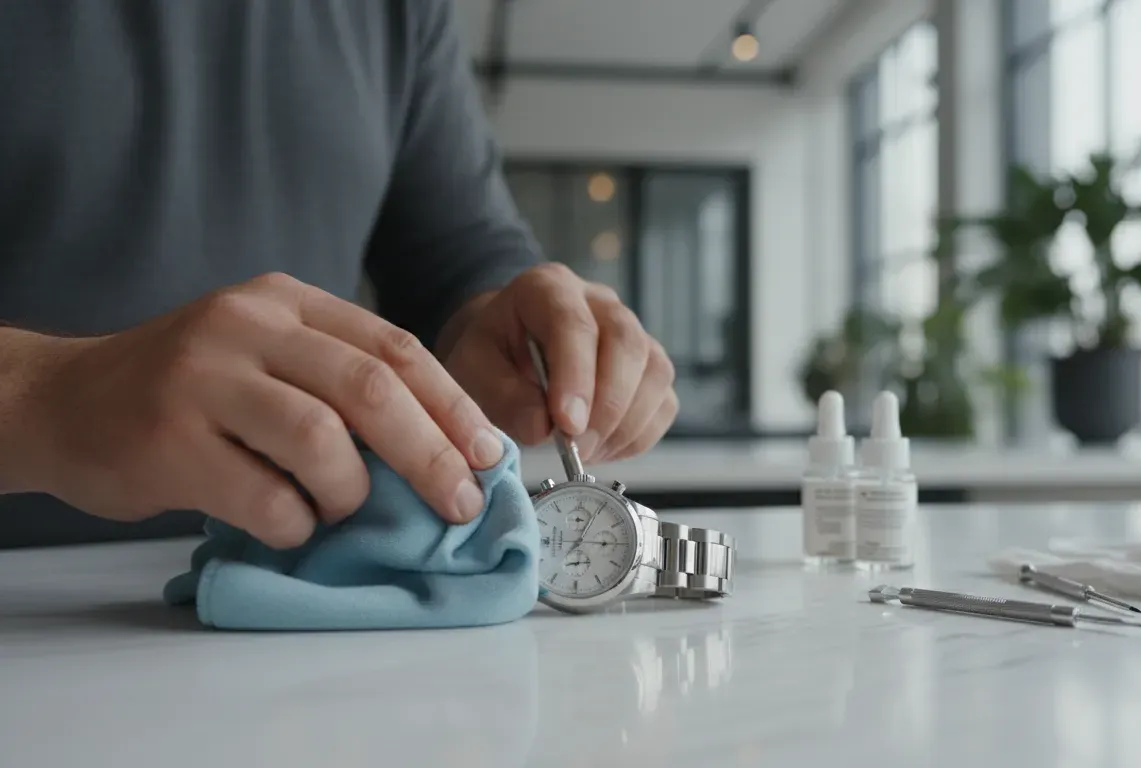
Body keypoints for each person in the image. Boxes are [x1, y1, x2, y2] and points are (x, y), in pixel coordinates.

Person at [0, 1, 676, 549]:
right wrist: (49, 399)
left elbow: (461, 255)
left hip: (302, 633)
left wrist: (513, 324)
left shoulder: (399, 13)